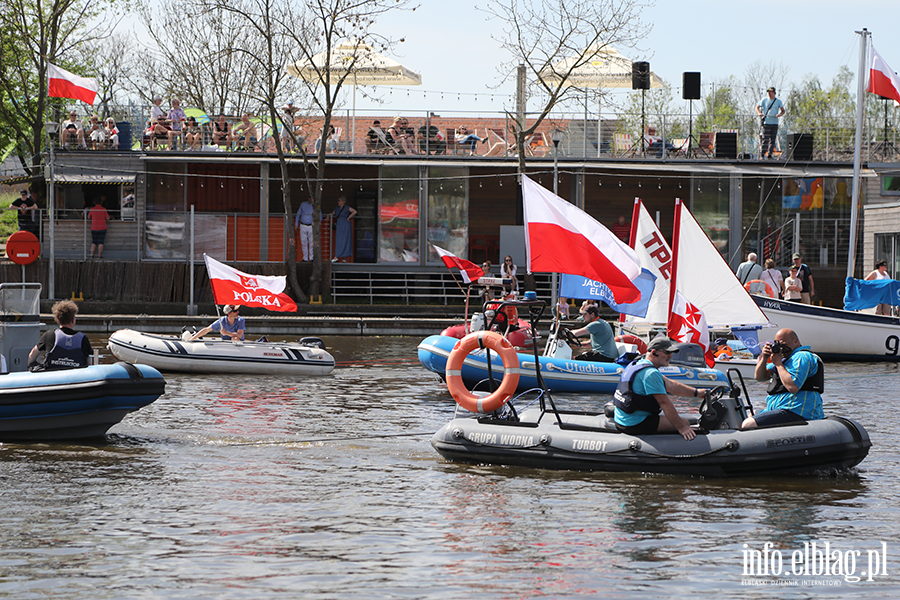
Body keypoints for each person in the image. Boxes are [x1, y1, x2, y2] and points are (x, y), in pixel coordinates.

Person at [613, 336, 699, 440]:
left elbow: (671, 385)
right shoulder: (651, 373)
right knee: (685, 422)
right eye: (667, 353)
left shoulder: (638, 364)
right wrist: (681, 427)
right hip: (634, 423)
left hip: (622, 418)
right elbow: (664, 403)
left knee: (676, 418)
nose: (671, 356)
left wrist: (697, 393)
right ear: (654, 352)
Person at [742, 328, 823, 429]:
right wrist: (764, 358)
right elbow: (760, 377)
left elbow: (793, 387)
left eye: (784, 345)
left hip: (796, 411)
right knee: (748, 414)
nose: (782, 349)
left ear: (795, 341)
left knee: (748, 424)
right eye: (779, 346)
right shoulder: (785, 360)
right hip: (779, 410)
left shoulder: (802, 356)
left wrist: (779, 364)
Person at [27, 300, 92, 371]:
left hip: (53, 377)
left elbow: (32, 355)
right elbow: (90, 365)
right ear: (73, 320)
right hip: (75, 378)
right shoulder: (83, 339)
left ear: (57, 320)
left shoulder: (49, 335)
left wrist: (33, 367)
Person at [756, 86, 785, 160]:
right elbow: (757, 107)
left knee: (773, 139)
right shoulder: (764, 100)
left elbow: (783, 111)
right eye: (768, 92)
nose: (769, 93)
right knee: (765, 139)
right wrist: (759, 113)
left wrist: (780, 114)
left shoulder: (778, 101)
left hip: (774, 123)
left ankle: (770, 155)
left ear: (774, 93)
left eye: (771, 92)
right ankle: (762, 155)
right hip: (766, 122)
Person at [332, 195, 356, 262]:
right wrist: (329, 215)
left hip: (345, 225)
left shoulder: (347, 208)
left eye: (339, 201)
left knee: (345, 240)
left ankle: (344, 258)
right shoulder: (337, 208)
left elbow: (354, 211)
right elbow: (333, 213)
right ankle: (337, 256)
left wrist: (349, 217)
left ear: (343, 202)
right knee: (339, 240)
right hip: (339, 225)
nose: (338, 202)